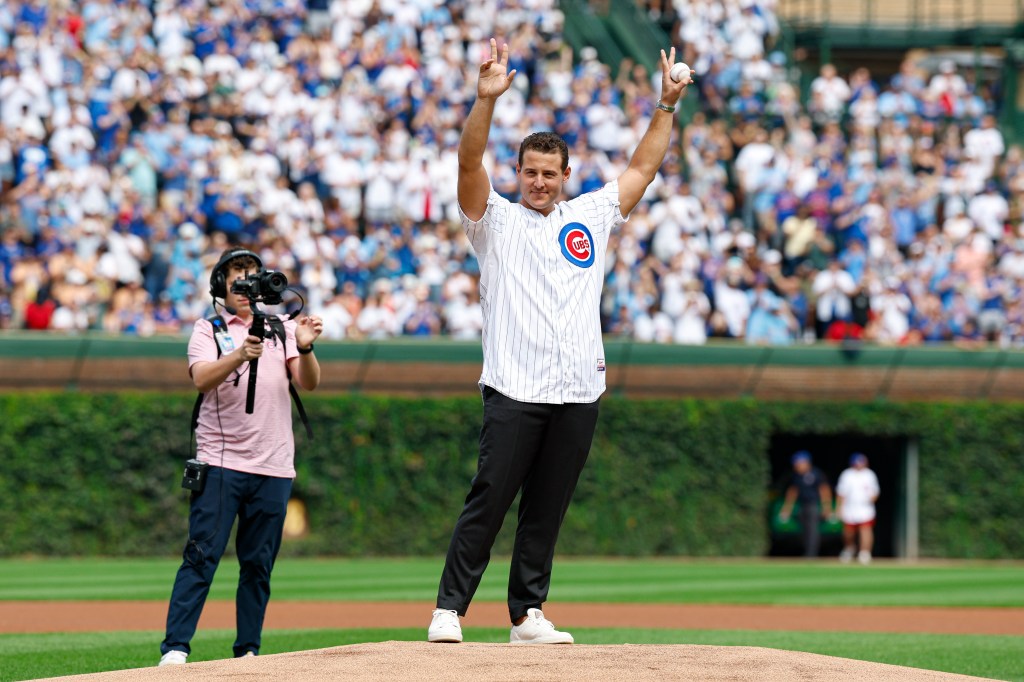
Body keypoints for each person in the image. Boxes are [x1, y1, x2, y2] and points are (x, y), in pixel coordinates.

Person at [427, 39, 692, 645]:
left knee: (548, 507)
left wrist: (666, 107)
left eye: (550, 173)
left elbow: (642, 168)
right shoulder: (493, 220)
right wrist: (484, 101)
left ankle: (527, 614)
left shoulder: (591, 215)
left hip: (578, 386)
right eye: (530, 172)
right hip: (515, 384)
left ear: (565, 176)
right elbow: (469, 165)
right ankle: (450, 608)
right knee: (490, 499)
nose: (540, 182)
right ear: (517, 174)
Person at [159, 247, 323, 665]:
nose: (245, 284)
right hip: (220, 463)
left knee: (258, 565)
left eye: (252, 275)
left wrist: (305, 348)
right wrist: (238, 355)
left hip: (274, 466)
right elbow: (200, 379)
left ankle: (248, 650)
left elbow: (309, 384)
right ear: (221, 284)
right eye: (236, 276)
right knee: (200, 557)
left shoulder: (282, 327)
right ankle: (176, 649)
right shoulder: (208, 328)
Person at [777, 450, 834, 558]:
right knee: (804, 530)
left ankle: (811, 554)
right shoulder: (796, 476)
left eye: (798, 463)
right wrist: (787, 509)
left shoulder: (816, 474)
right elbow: (793, 492)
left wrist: (826, 507)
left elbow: (824, 490)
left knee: (812, 530)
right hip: (801, 506)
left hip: (813, 505)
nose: (796, 466)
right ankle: (806, 552)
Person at [836, 452, 880, 565]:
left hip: (865, 509)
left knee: (865, 530)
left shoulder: (870, 475)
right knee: (848, 532)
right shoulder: (846, 474)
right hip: (849, 508)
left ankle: (864, 553)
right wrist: (839, 508)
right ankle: (849, 549)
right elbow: (841, 493)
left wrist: (871, 499)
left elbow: (875, 492)